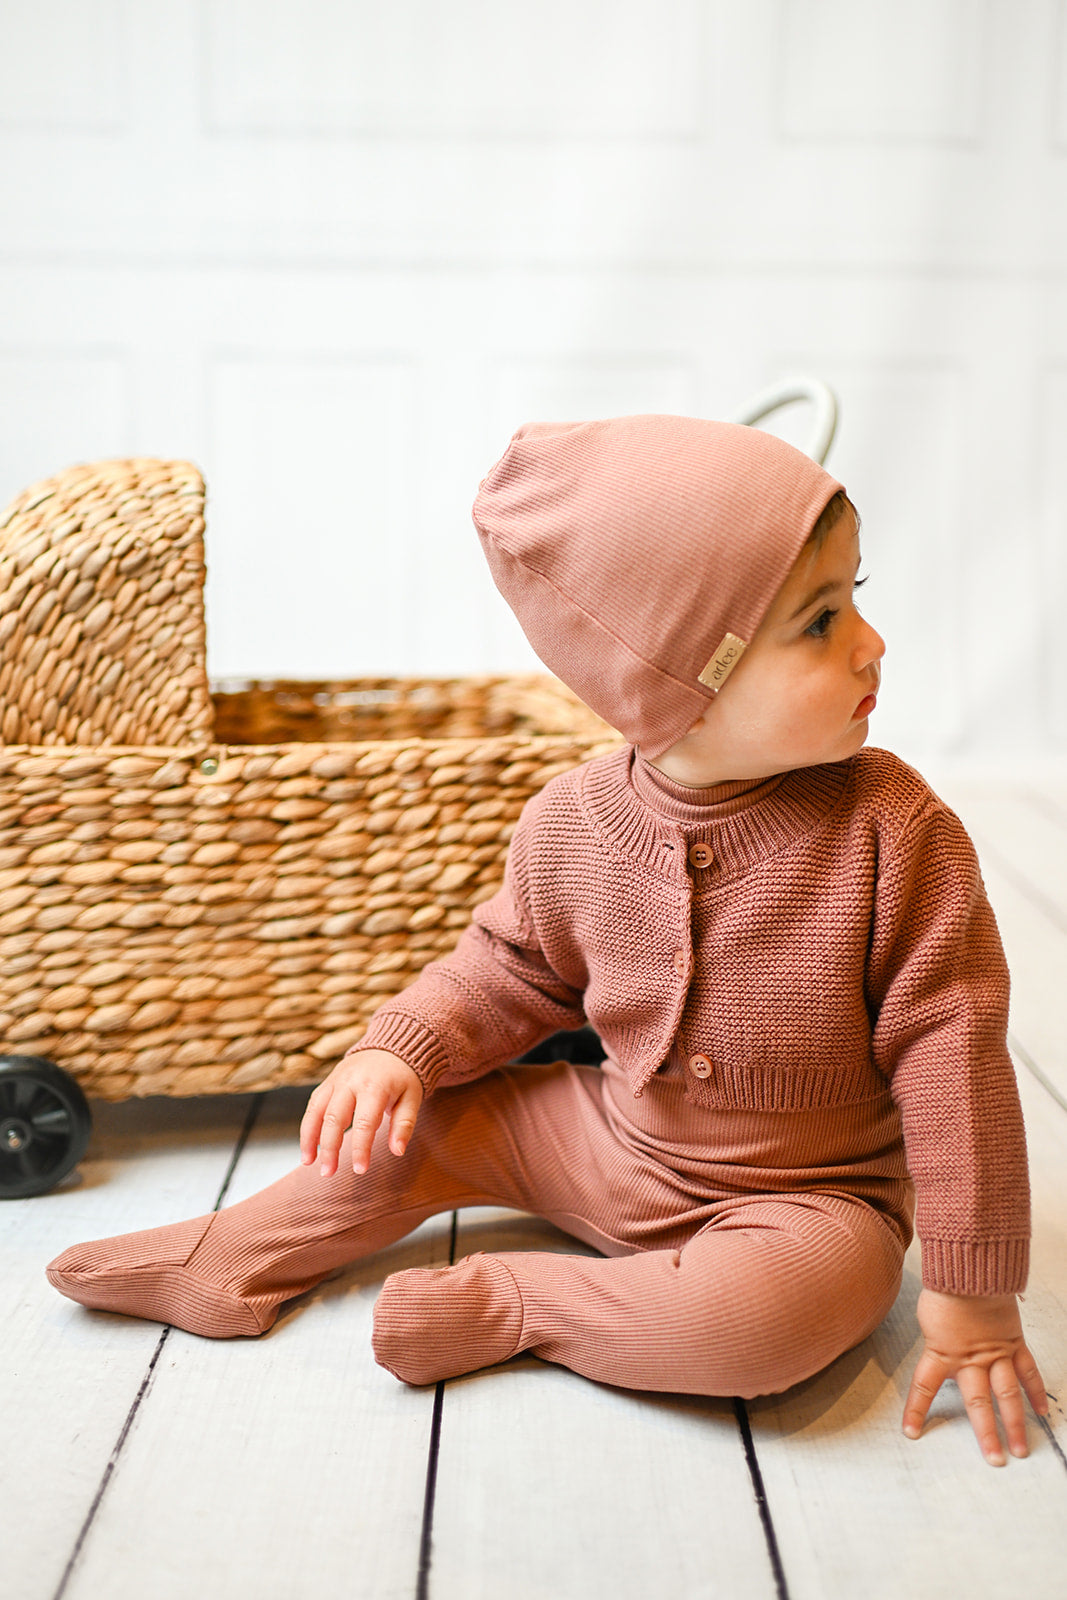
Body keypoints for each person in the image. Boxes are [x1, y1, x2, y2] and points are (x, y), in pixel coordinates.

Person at [47, 415, 1048, 1467]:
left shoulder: (894, 830)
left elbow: (952, 1058)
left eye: (856, 597)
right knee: (411, 1129)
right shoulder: (573, 821)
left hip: (810, 1201)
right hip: (610, 1141)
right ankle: (230, 1254)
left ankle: (516, 1303)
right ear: (676, 691)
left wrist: (971, 1292)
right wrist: (400, 1047)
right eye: (818, 619)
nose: (869, 640)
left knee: (760, 1326)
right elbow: (510, 968)